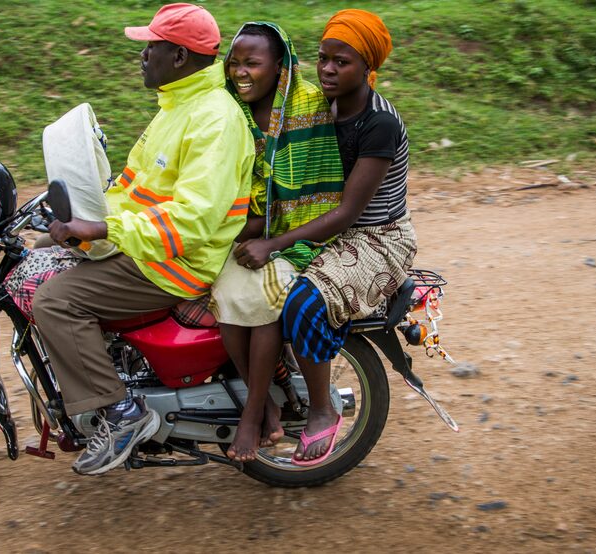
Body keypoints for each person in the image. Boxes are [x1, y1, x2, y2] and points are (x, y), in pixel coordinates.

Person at [32, 3, 254, 475]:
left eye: (150, 46)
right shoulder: (177, 108)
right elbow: (129, 189)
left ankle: (120, 414)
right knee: (39, 262)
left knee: (54, 301)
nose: (143, 55)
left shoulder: (214, 120)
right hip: (150, 248)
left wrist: (104, 230)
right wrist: (77, 220)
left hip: (177, 262)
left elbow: (192, 220)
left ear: (178, 56)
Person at [228, 9, 417, 466]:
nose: (329, 70)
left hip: (376, 238)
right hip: (325, 227)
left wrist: (271, 242)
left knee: (303, 302)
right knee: (256, 293)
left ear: (368, 67)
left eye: (342, 62)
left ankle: (322, 412)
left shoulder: (379, 124)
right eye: (323, 59)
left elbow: (348, 211)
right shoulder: (317, 109)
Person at [208, 22, 344, 462]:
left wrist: (271, 237)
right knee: (224, 293)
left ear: (280, 67)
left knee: (266, 300)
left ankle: (251, 416)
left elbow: (321, 192)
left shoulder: (310, 108)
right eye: (235, 63)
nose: (240, 73)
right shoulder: (231, 110)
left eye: (253, 63)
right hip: (248, 230)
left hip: (303, 233)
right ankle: (262, 399)